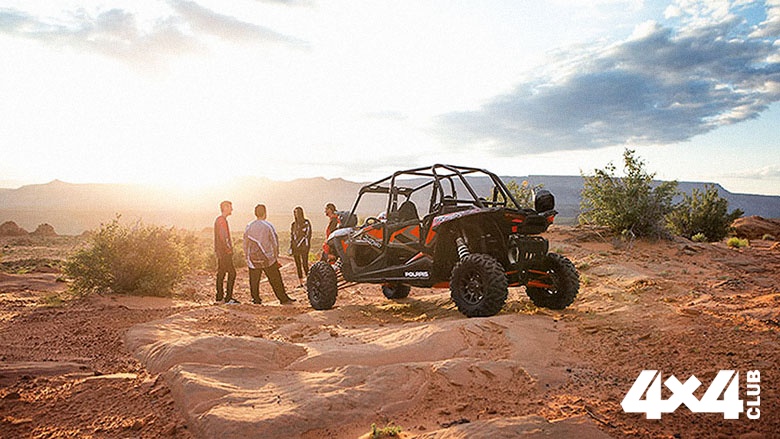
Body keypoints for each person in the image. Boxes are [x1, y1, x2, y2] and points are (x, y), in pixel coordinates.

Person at [244, 204, 295, 304]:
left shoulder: (249, 226)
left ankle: (256, 299)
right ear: (265, 213)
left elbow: (245, 242)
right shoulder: (268, 226)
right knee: (275, 279)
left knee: (254, 280)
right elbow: (274, 242)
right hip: (267, 258)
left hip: (253, 258)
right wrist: (275, 256)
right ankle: (283, 299)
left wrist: (247, 256)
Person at [214, 200, 237, 303]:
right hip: (224, 252)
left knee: (221, 273)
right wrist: (229, 249)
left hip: (221, 252)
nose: (232, 209)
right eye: (230, 207)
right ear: (225, 207)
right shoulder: (221, 221)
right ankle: (228, 298)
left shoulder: (220, 220)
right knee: (232, 273)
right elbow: (224, 237)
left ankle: (220, 297)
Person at [290, 206, 312, 288]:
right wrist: (291, 247)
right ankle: (301, 283)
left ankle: (309, 281)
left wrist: (303, 244)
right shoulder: (293, 224)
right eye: (294, 213)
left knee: (305, 264)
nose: (295, 214)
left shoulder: (306, 223)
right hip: (295, 247)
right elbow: (292, 236)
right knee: (298, 265)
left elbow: (308, 235)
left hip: (304, 247)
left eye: (297, 212)